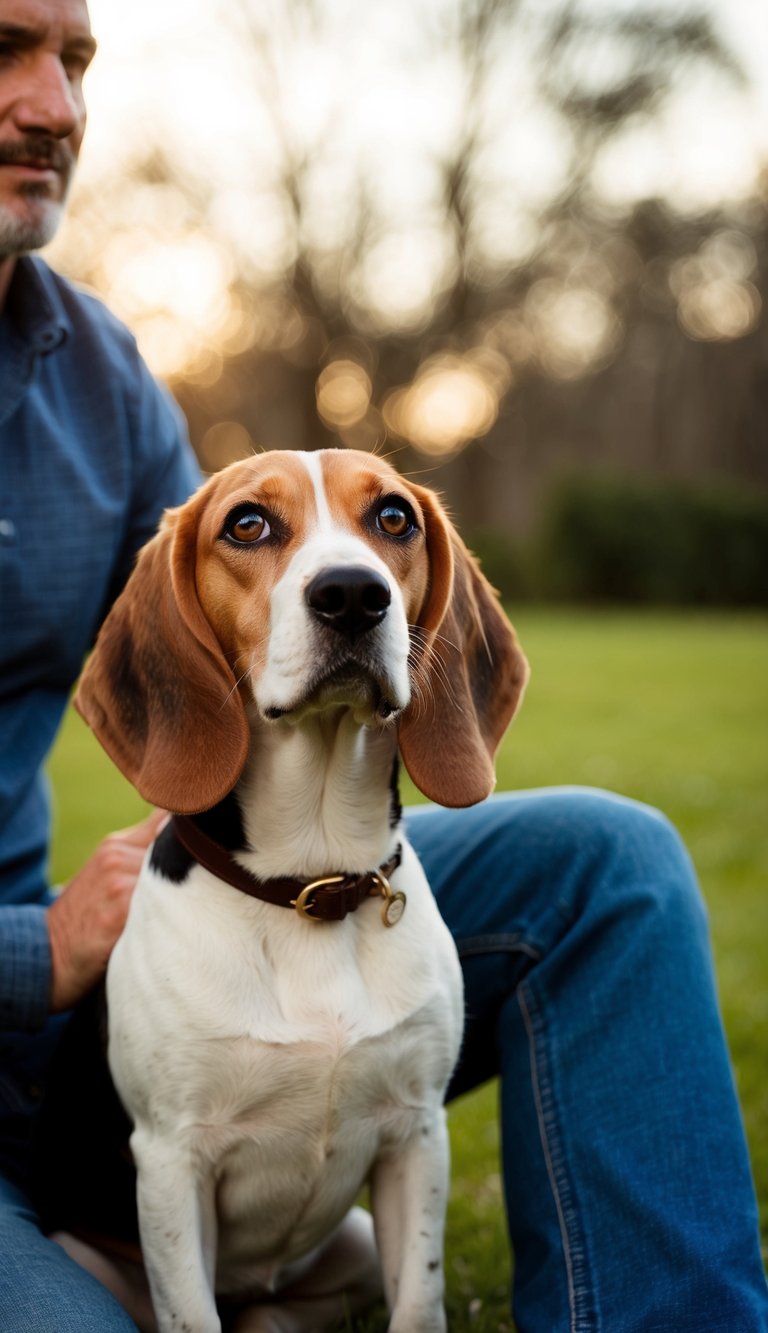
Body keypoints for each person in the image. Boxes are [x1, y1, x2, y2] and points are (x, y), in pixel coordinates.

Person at [0, 3, 766, 1331]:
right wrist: (40, 949)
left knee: (610, 861)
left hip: (136, 975)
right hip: (53, 984)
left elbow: (235, 623)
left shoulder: (102, 374)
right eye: (3, 49)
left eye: (75, 60)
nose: (54, 106)